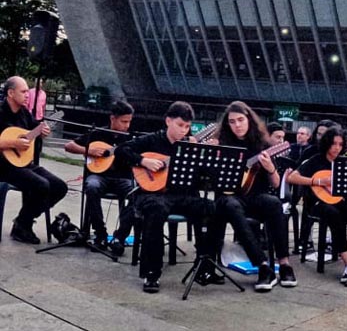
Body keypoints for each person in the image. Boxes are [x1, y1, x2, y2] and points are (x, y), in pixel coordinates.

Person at [114, 101, 216, 293]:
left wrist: (204, 154)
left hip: (182, 195)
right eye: (180, 125)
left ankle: (204, 266)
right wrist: (143, 161)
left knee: (210, 207)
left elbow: (204, 177)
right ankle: (152, 273)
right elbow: (121, 150)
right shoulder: (152, 140)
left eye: (187, 126)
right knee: (156, 209)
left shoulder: (190, 145)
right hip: (153, 195)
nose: (183, 130)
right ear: (168, 121)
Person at [203, 101, 294, 291]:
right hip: (227, 198)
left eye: (240, 120)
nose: (237, 125)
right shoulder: (221, 143)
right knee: (231, 205)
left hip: (254, 196)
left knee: (274, 203)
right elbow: (207, 177)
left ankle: (285, 265)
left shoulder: (263, 145)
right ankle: (262, 266)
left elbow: (276, 183)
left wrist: (270, 168)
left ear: (249, 120)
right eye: (232, 122)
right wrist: (210, 154)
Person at [286, 131, 347, 285]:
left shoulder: (343, 162)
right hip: (318, 203)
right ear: (327, 143)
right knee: (334, 215)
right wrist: (317, 181)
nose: (337, 147)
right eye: (333, 144)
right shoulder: (316, 160)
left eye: (340, 144)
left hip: (340, 200)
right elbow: (292, 177)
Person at [62, 100, 136, 253]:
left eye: (129, 121)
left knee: (134, 193)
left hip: (122, 178)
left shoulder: (130, 139)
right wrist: (88, 151)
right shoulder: (97, 134)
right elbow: (69, 146)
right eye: (124, 121)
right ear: (113, 118)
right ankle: (100, 233)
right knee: (92, 186)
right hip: (99, 176)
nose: (127, 125)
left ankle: (119, 237)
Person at [0, 76, 65, 244]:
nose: (27, 95)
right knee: (41, 185)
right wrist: (12, 143)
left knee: (59, 186)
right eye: (23, 91)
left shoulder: (24, 113)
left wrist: (43, 131)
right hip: (3, 166)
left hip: (23, 164)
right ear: (10, 93)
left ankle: (22, 222)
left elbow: (36, 128)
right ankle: (24, 226)